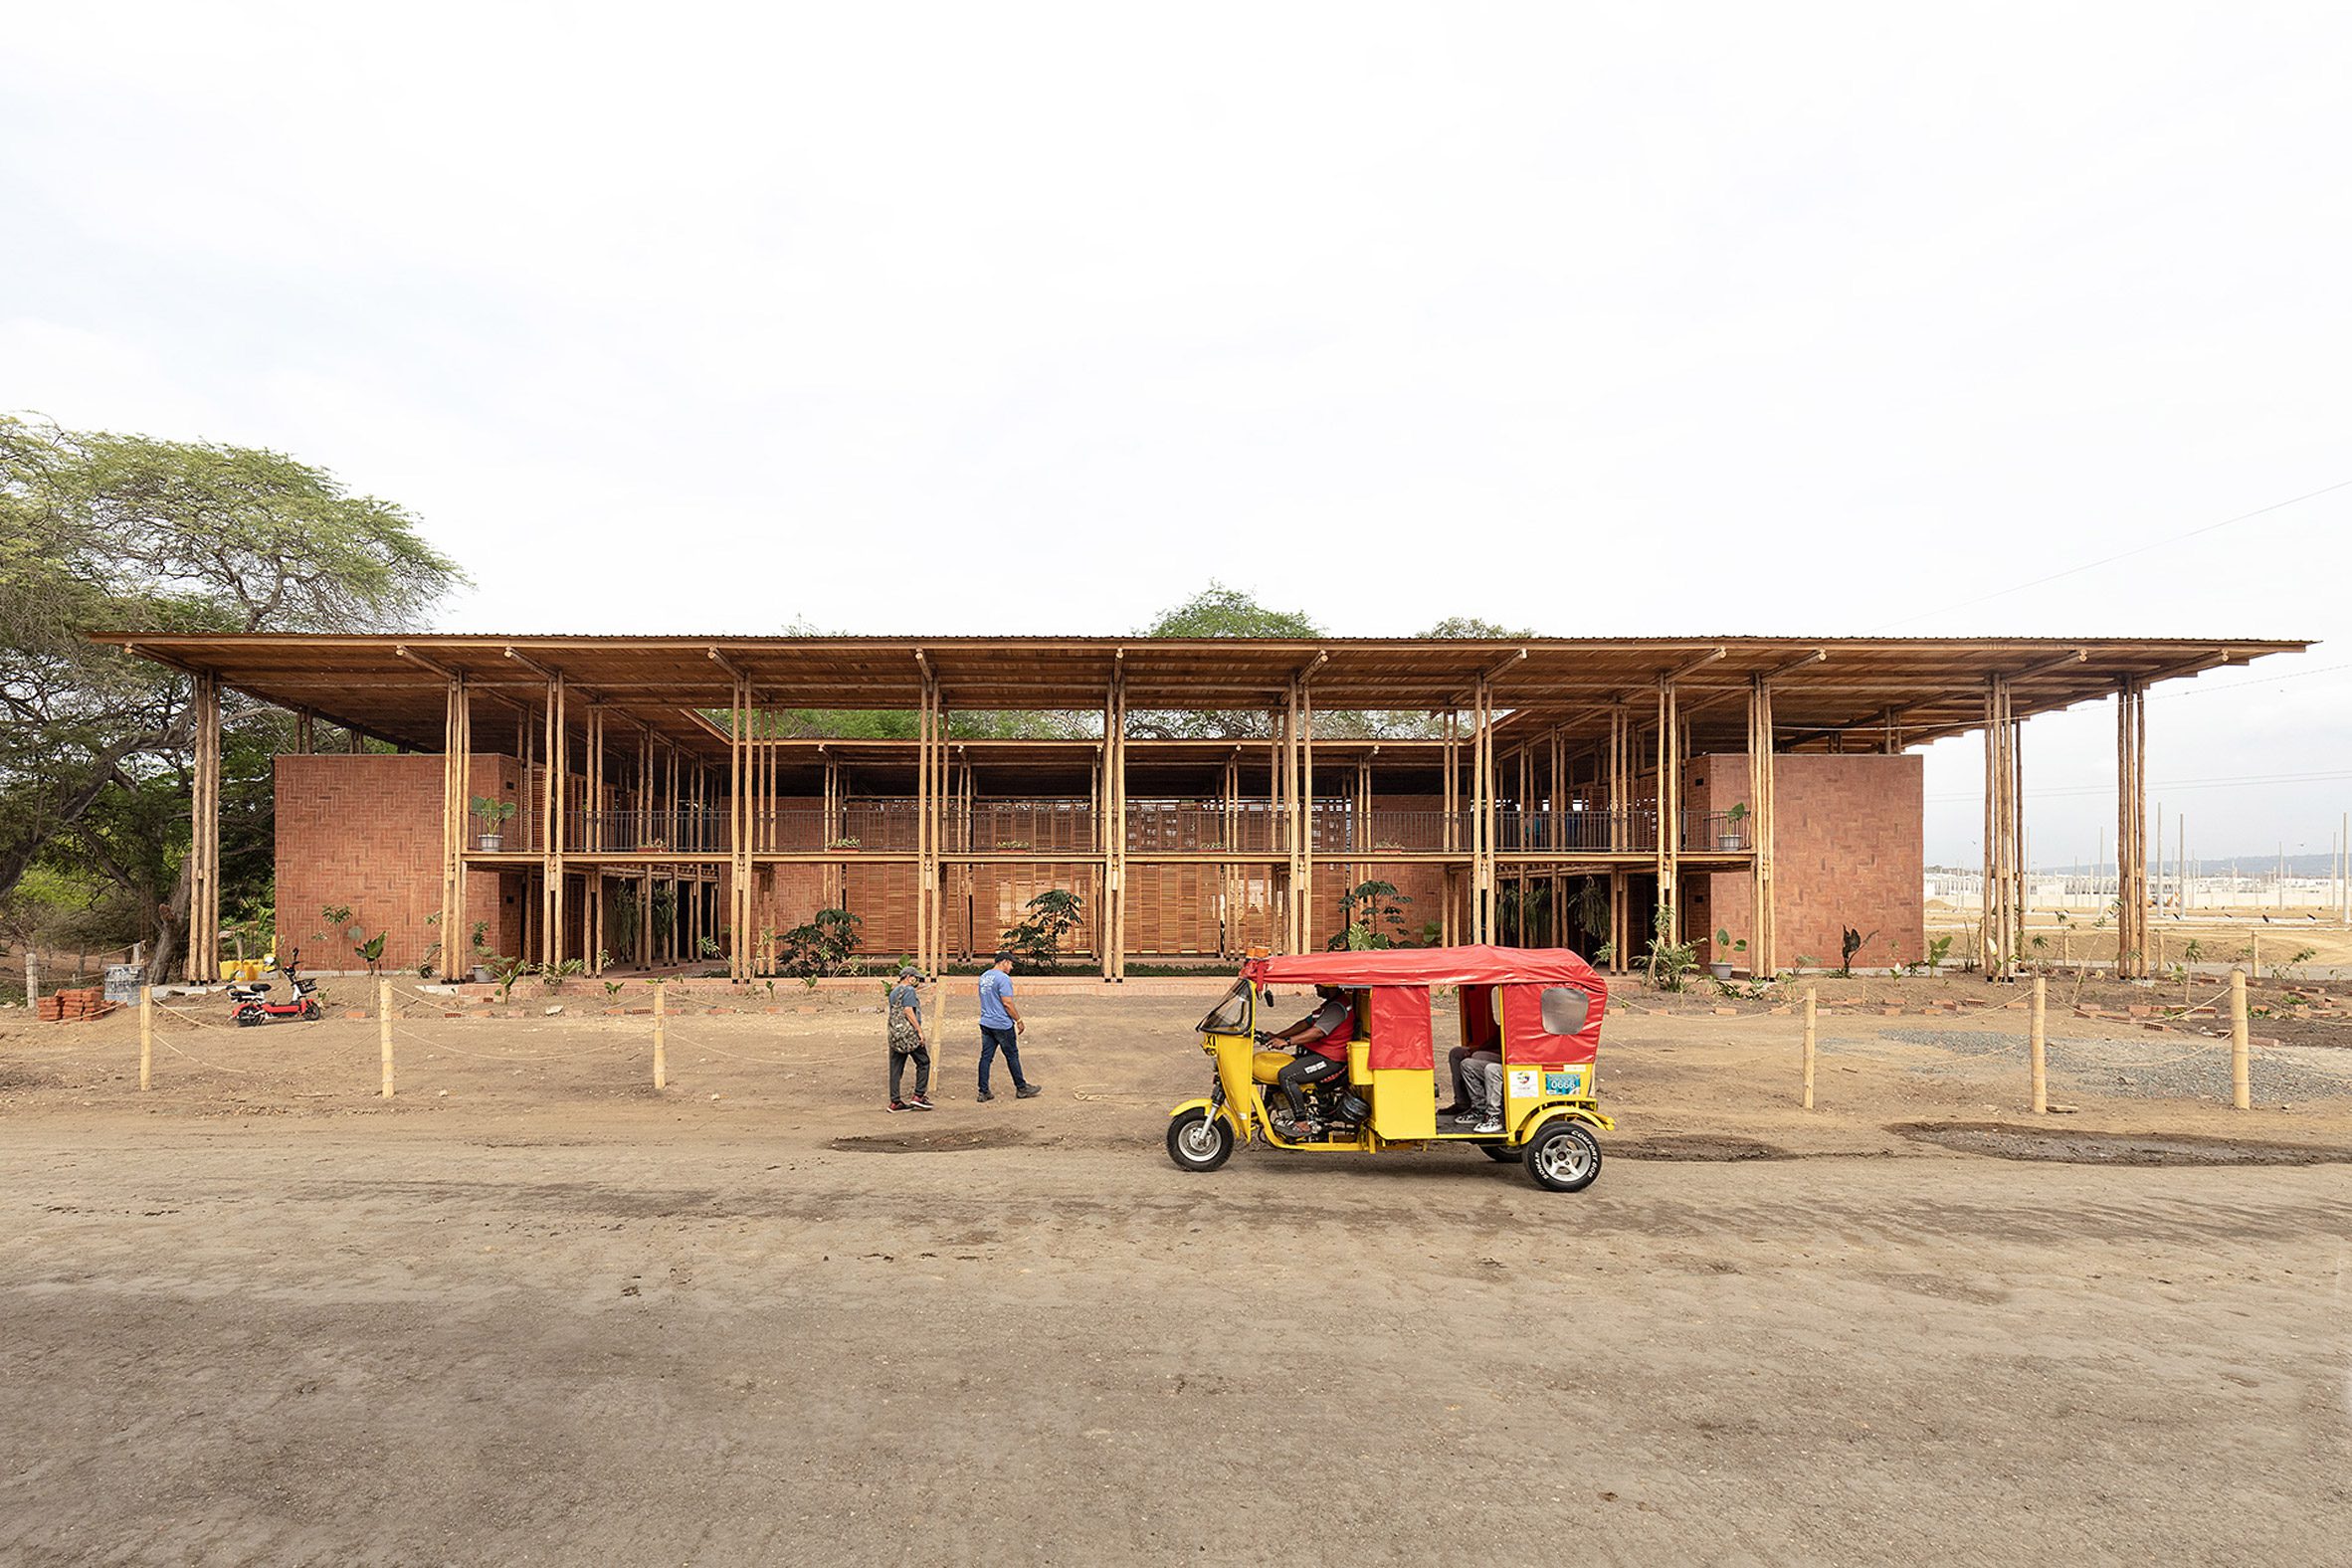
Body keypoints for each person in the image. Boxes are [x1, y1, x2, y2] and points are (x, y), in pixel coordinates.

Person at [1267, 984, 1355, 1135]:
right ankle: (1266, 1113)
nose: (1315, 986)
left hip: (1330, 1059)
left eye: (1319, 984)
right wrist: (1277, 1036)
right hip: (1318, 1054)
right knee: (1271, 1072)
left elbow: (1317, 1032)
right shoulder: (1328, 1006)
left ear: (1329, 986)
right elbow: (1305, 1023)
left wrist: (1287, 1042)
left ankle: (1302, 1123)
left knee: (1287, 1076)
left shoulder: (1337, 1008)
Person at [976, 951, 1041, 1102]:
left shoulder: (984, 976)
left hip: (986, 1022)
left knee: (986, 1057)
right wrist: (1018, 1019)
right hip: (1001, 1024)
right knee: (1012, 1055)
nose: (1011, 967)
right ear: (1004, 962)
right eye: (1010, 963)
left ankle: (983, 1091)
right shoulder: (1003, 978)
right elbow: (1007, 1003)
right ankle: (1021, 1088)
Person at [885, 962, 935, 1112]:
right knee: (924, 1062)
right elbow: (908, 1011)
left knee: (896, 1067)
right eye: (915, 978)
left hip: (895, 1035)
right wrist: (919, 1031)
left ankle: (895, 1102)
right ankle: (918, 1096)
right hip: (909, 1034)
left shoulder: (893, 992)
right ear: (908, 977)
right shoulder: (908, 991)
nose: (917, 981)